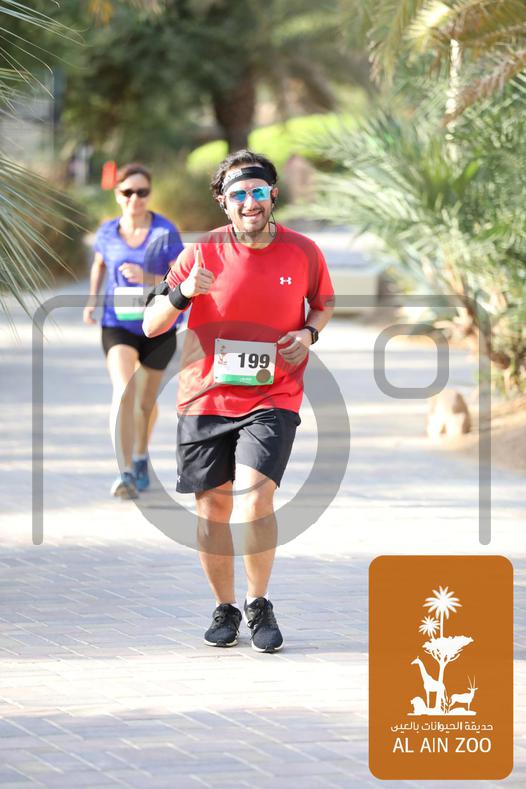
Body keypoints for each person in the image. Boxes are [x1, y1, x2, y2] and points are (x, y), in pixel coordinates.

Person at [142, 150, 334, 652]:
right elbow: (151, 324)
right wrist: (183, 293)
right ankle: (224, 608)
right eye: (239, 194)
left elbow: (323, 303)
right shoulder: (200, 252)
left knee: (256, 497)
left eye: (258, 191)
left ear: (273, 195)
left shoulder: (304, 251)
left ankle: (258, 602)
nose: (250, 202)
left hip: (274, 393)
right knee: (212, 509)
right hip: (204, 396)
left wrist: (309, 333)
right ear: (223, 202)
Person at [83, 162, 184, 499]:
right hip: (118, 324)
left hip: (159, 325)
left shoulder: (165, 232)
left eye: (142, 192)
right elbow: (99, 265)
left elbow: (180, 278)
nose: (135, 199)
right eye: (128, 192)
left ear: (149, 194)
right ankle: (124, 470)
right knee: (124, 389)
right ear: (117, 194)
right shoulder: (107, 232)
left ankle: (141, 455)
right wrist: (92, 301)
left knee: (146, 402)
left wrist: (148, 279)